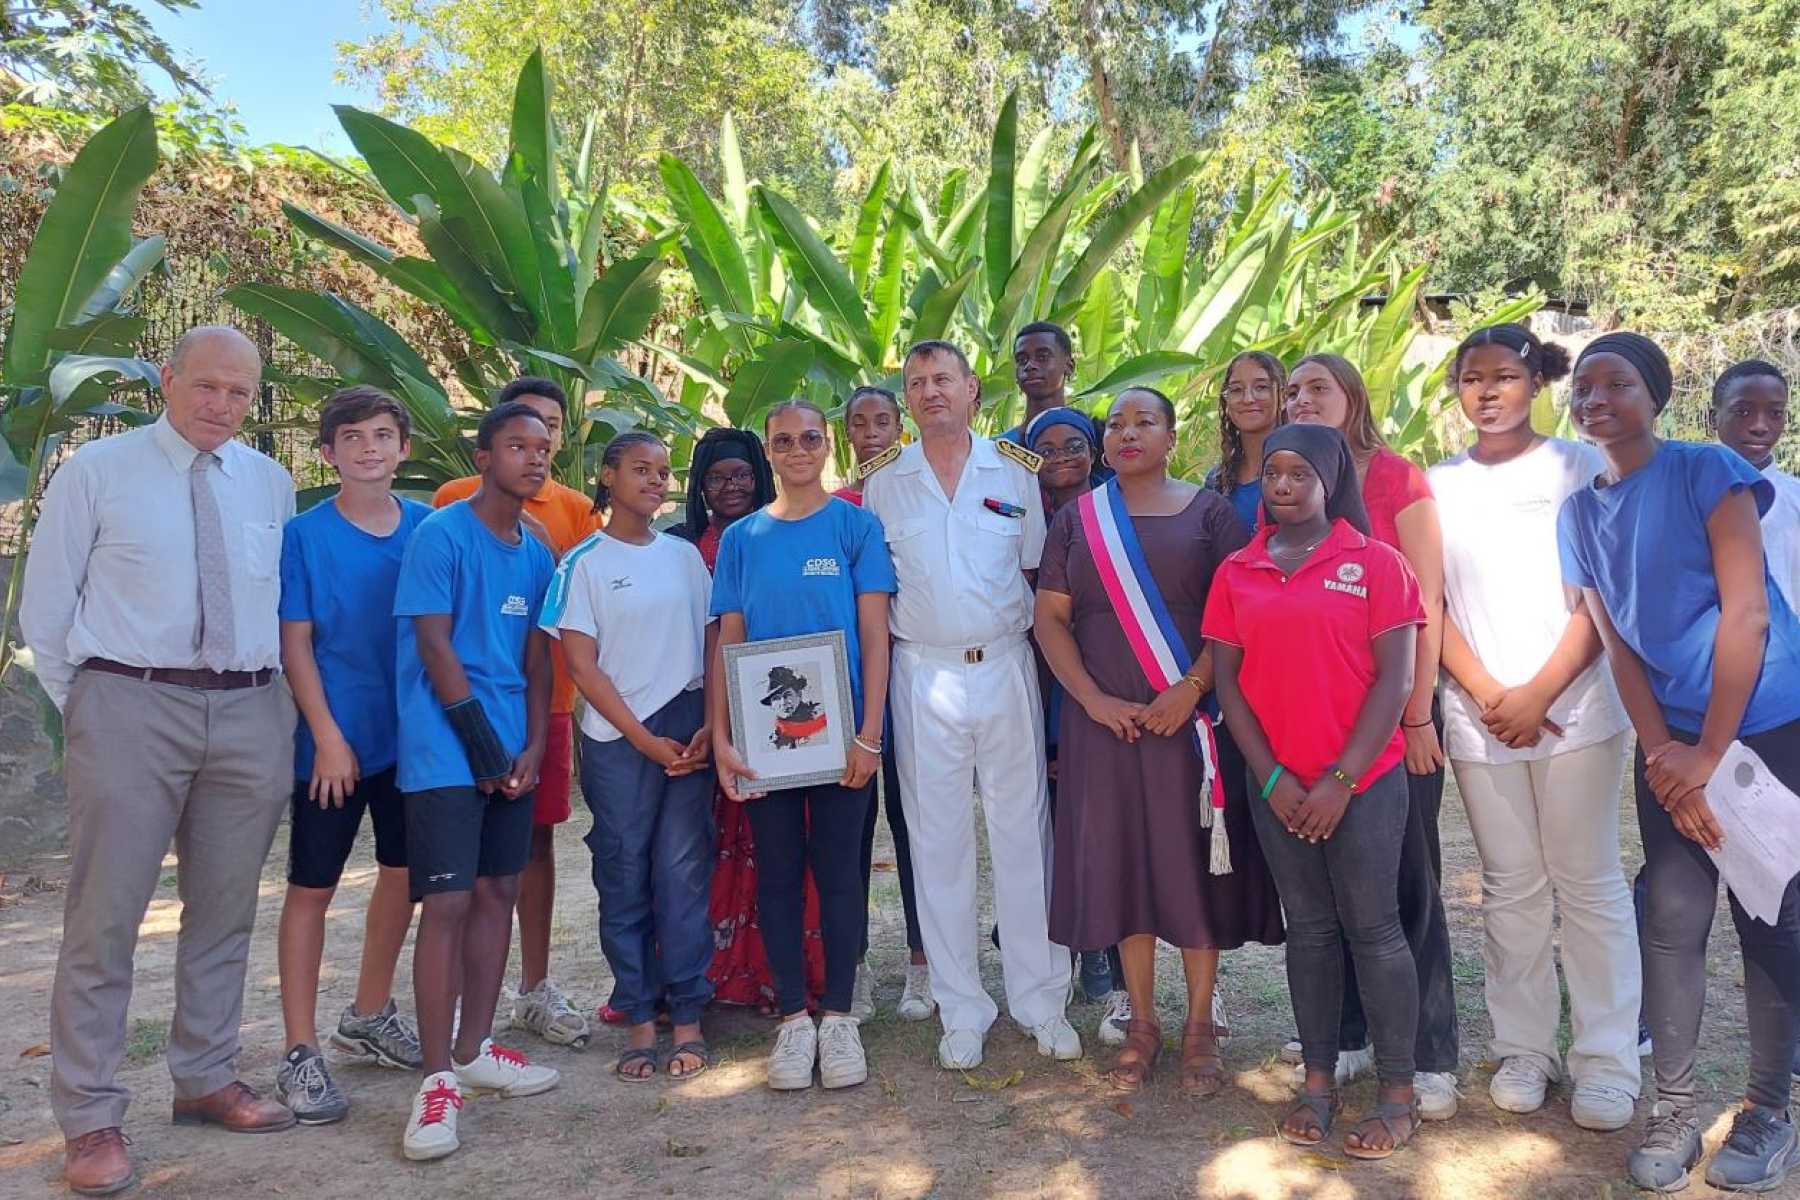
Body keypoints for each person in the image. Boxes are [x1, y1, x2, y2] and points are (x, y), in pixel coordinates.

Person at [22, 327, 299, 1196]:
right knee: (104, 919)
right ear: (167, 381)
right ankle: (92, 1117)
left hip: (251, 705)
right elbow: (46, 605)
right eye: (206, 386)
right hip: (129, 702)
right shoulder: (96, 472)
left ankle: (206, 1075)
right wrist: (95, 705)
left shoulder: (269, 481)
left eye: (240, 394)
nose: (221, 405)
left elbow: (276, 600)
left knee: (224, 910)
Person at [1557, 332, 1800, 1193]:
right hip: (1672, 746)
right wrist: (1666, 752)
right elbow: (1618, 644)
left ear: (1654, 395)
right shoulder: (1581, 512)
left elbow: (1748, 616)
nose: (1596, 398)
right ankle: (1675, 1104)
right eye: (1584, 386)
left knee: (1770, 918)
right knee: (1672, 918)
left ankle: (1769, 1111)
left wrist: (1707, 754)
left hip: (1766, 731)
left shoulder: (1707, 470)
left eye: (1617, 382)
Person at [1035, 387, 1284, 1098]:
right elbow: (1051, 618)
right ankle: (1142, 1023)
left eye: (1145, 421)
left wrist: (1194, 687)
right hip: (1101, 726)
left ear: (1173, 436)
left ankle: (1201, 1024)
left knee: (1192, 871)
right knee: (1123, 870)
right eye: (1116, 423)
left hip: (1190, 727)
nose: (1128, 432)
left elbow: (1239, 612)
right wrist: (1090, 699)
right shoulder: (1078, 520)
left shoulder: (1208, 514)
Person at [1428, 325, 1639, 1131]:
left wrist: (1541, 688)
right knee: (1511, 886)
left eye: (1506, 376)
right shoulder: (1436, 484)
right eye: (1472, 378)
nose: (1487, 392)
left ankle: (1608, 1062)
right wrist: (1486, 691)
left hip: (1578, 709)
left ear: (1538, 381)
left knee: (1588, 882)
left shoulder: (1580, 466)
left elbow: (1603, 596)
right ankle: (1525, 1049)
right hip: (1481, 717)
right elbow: (1430, 601)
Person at [1204, 423, 1427, 1159]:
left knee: (1374, 928)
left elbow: (1394, 680)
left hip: (1361, 782)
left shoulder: (1377, 563)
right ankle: (1319, 1084)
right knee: (1310, 930)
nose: (1284, 485)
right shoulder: (1238, 568)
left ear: (1332, 481)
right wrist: (1269, 776)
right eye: (1274, 472)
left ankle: (1399, 1095)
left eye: (1302, 473)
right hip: (1277, 786)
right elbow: (1229, 684)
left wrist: (1339, 781)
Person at [862, 339, 1081, 1071]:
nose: (930, 392)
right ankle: (961, 1007)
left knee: (1025, 836)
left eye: (942, 379)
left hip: (1006, 665)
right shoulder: (883, 481)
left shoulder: (1013, 472)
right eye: (916, 382)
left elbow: (1036, 571)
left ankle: (1042, 998)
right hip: (923, 676)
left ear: (971, 389)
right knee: (937, 844)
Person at [1285, 353, 1459, 1119]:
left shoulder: (1396, 478)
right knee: (1334, 894)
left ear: (1353, 397)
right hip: (1314, 729)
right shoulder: (1288, 484)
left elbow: (1426, 601)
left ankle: (1428, 1054)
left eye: (1316, 387)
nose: (1300, 399)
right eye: (1292, 391)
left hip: (1395, 725)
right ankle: (1351, 1036)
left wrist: (1418, 714)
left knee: (1406, 890)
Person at [708, 401, 896, 1091]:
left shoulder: (855, 526)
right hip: (767, 748)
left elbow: (875, 637)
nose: (797, 449)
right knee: (779, 874)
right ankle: (793, 1019)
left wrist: (869, 734)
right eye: (783, 440)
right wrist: (725, 737)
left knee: (842, 874)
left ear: (826, 445)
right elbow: (730, 641)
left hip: (844, 741)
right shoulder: (742, 540)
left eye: (809, 438)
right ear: (769, 450)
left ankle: (840, 1017)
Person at [396, 401, 560, 1162]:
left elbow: (535, 661)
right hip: (444, 753)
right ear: (485, 455)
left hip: (509, 756)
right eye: (517, 446)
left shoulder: (536, 547)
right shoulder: (442, 534)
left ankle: (475, 1047)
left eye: (543, 446)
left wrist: (530, 747)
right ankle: (436, 1082)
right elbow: (434, 645)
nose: (534, 457)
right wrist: (484, 749)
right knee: (449, 901)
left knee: (500, 891)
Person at [273, 387, 431, 1125]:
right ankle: (299, 1050)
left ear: (404, 448)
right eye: (353, 438)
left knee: (401, 876)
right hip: (333, 745)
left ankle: (369, 1012)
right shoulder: (304, 536)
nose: (369, 449)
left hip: (413, 744)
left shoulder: (431, 529)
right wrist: (328, 737)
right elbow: (296, 642)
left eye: (382, 435)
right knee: (312, 887)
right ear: (328, 453)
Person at [540, 431, 717, 1082]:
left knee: (684, 875)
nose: (654, 480)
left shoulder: (684, 558)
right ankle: (641, 1018)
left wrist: (708, 728)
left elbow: (712, 647)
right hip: (620, 741)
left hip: (688, 730)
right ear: (608, 476)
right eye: (639, 468)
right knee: (623, 874)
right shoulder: (582, 562)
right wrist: (642, 738)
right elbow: (581, 667)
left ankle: (690, 1016)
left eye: (664, 471)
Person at [432, 377, 598, 1049]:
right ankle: (453, 1001)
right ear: (491, 445)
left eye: (552, 429)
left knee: (533, 842)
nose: (540, 444)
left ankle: (533, 986)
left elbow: (575, 598)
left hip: (546, 704)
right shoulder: (450, 506)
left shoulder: (577, 508)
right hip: (460, 709)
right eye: (524, 431)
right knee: (456, 864)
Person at [674, 427, 828, 1013]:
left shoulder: (774, 536)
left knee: (789, 853)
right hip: (711, 713)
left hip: (780, 714)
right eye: (718, 478)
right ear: (702, 486)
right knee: (710, 850)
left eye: (741, 475)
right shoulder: (681, 546)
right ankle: (719, 971)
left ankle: (784, 975)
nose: (732, 486)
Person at [1024, 407, 1126, 1019]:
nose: (1062, 456)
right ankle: (1081, 945)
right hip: (1045, 689)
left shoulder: (1120, 510)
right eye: (1048, 447)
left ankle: (1112, 950)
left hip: (1112, 680)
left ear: (1095, 451)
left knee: (1109, 827)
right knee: (1063, 827)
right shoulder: (1018, 516)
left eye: (1075, 445)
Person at [834, 385, 931, 1023]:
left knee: (915, 825)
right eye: (859, 423)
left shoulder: (920, 493)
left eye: (883, 421)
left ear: (902, 427)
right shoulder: (835, 506)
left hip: (916, 682)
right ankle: (856, 965)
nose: (872, 431)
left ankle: (924, 964)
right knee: (848, 834)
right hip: (846, 690)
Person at [1712, 360, 1798, 610]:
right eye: (1743, 412)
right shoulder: (1681, 495)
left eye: (1775, 413)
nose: (1760, 427)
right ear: (1712, 418)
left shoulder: (1795, 498)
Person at [1205, 351, 1287, 530]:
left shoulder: (1301, 473)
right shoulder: (1216, 480)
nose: (1248, 399)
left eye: (1261, 387)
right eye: (1236, 390)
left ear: (1284, 397)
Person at [1003, 321, 1078, 444]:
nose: (1029, 366)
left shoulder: (1094, 440)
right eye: (1022, 360)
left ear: (1069, 366)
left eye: (1042, 357)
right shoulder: (997, 449)